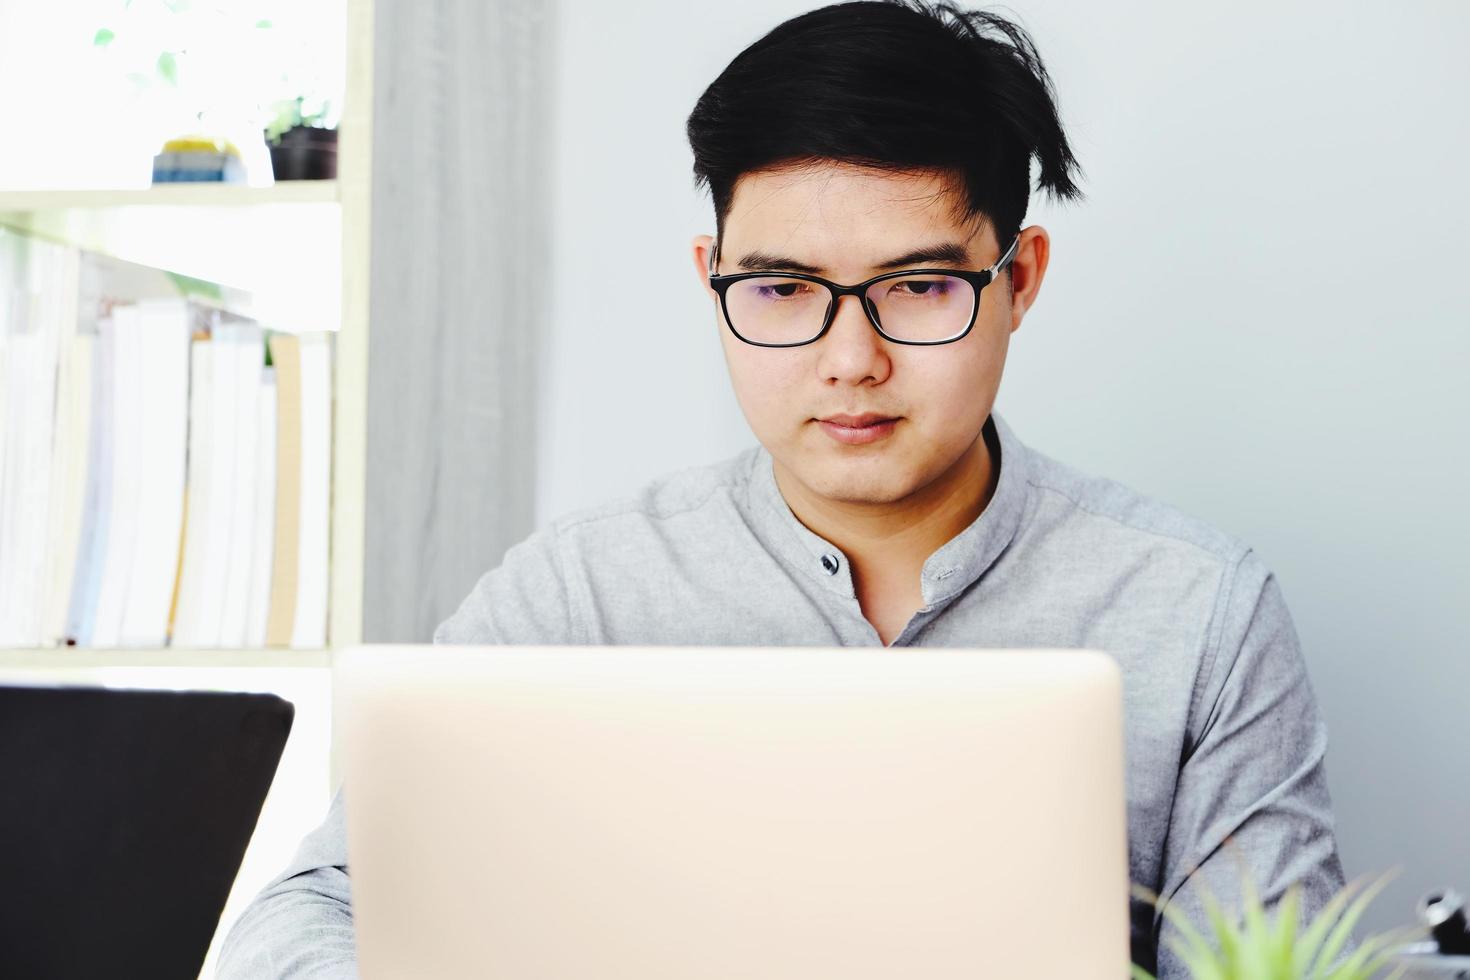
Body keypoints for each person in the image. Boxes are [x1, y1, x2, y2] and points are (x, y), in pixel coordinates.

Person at [218, 2, 1351, 977]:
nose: (848, 358)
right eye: (780, 288)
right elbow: (301, 916)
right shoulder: (582, 594)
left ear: (1020, 281)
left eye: (915, 286)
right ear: (712, 277)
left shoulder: (1198, 613)